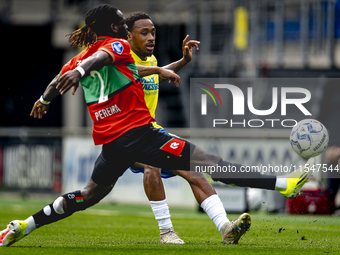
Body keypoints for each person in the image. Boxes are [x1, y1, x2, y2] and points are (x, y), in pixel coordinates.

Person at [0, 4, 313, 247]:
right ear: (114, 28)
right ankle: (282, 185)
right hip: (139, 135)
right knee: (209, 163)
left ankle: (24, 226)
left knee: (88, 195)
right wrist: (83, 72)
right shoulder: (116, 46)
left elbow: (60, 80)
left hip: (114, 144)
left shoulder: (81, 57)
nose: (126, 29)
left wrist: (44, 99)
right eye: (123, 24)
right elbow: (104, 60)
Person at [125, 11, 237, 244]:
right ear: (128, 36)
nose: (151, 37)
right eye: (143, 33)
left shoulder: (151, 61)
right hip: (125, 135)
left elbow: (156, 75)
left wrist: (183, 62)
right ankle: (166, 232)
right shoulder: (119, 60)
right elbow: (129, 73)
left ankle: (225, 227)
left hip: (152, 132)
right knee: (151, 162)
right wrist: (158, 70)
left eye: (153, 32)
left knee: (193, 169)